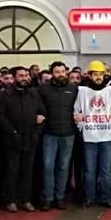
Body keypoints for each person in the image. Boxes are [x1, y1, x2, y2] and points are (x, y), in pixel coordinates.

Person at [0, 66, 46, 212]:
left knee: (27, 171)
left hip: (30, 138)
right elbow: (0, 116)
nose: (25, 78)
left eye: (26, 75)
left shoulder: (33, 93)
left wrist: (36, 132)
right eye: (21, 75)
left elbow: (42, 113)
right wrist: (13, 132)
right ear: (14, 77)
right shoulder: (5, 95)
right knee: (12, 170)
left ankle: (26, 199)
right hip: (12, 139)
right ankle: (11, 200)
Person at [74, 61, 111, 207]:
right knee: (89, 169)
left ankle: (106, 197)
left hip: (107, 136)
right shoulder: (82, 92)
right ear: (90, 75)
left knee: (106, 169)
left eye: (101, 74)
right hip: (89, 136)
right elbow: (76, 112)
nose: (98, 77)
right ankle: (89, 197)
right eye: (95, 74)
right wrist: (81, 125)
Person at [37, 62, 77, 211]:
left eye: (62, 72)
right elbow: (38, 108)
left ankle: (60, 197)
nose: (60, 74)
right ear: (52, 73)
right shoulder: (43, 90)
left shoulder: (73, 89)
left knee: (63, 167)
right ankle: (48, 197)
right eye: (57, 72)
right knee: (48, 166)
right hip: (49, 134)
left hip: (68, 134)